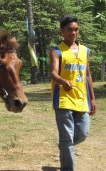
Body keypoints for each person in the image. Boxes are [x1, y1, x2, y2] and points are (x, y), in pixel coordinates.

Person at [49, 16, 96, 171]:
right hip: (63, 98)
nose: (73, 32)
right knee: (67, 137)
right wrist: (63, 82)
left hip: (82, 99)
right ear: (62, 31)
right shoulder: (56, 51)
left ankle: (64, 147)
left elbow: (88, 75)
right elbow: (54, 74)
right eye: (69, 29)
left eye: (75, 29)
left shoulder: (85, 51)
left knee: (83, 133)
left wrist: (92, 99)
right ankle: (67, 167)